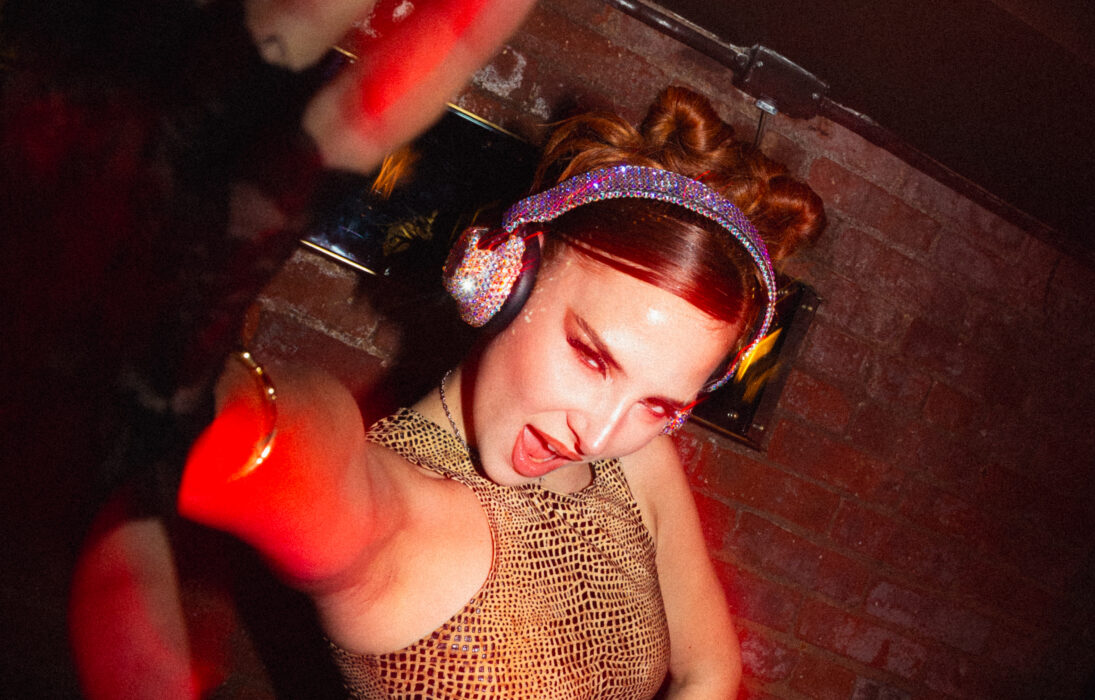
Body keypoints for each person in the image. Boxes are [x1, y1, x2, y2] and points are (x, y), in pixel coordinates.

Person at [178, 86, 825, 698]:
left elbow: (710, 671)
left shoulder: (637, 463)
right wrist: (208, 382)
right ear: (502, 277)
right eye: (592, 357)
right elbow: (304, 449)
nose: (598, 436)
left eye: (658, 405)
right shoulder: (403, 522)